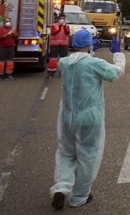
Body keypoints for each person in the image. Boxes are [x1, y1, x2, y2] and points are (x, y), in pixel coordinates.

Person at [50, 32, 125, 210]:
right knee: (87, 156)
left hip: (68, 117)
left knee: (66, 153)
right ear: (91, 44)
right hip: (90, 118)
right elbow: (116, 73)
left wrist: (87, 52)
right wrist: (118, 54)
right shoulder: (95, 63)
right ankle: (79, 196)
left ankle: (61, 187)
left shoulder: (64, 63)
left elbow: (77, 62)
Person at [0, 17, 19, 81]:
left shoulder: (12, 29)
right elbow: (1, 37)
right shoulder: (0, 29)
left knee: (10, 62)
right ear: (3, 22)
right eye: (6, 21)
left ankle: (9, 75)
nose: (8, 22)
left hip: (11, 47)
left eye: (9, 21)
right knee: (1, 62)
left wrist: (13, 32)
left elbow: (16, 36)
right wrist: (8, 34)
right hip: (3, 47)